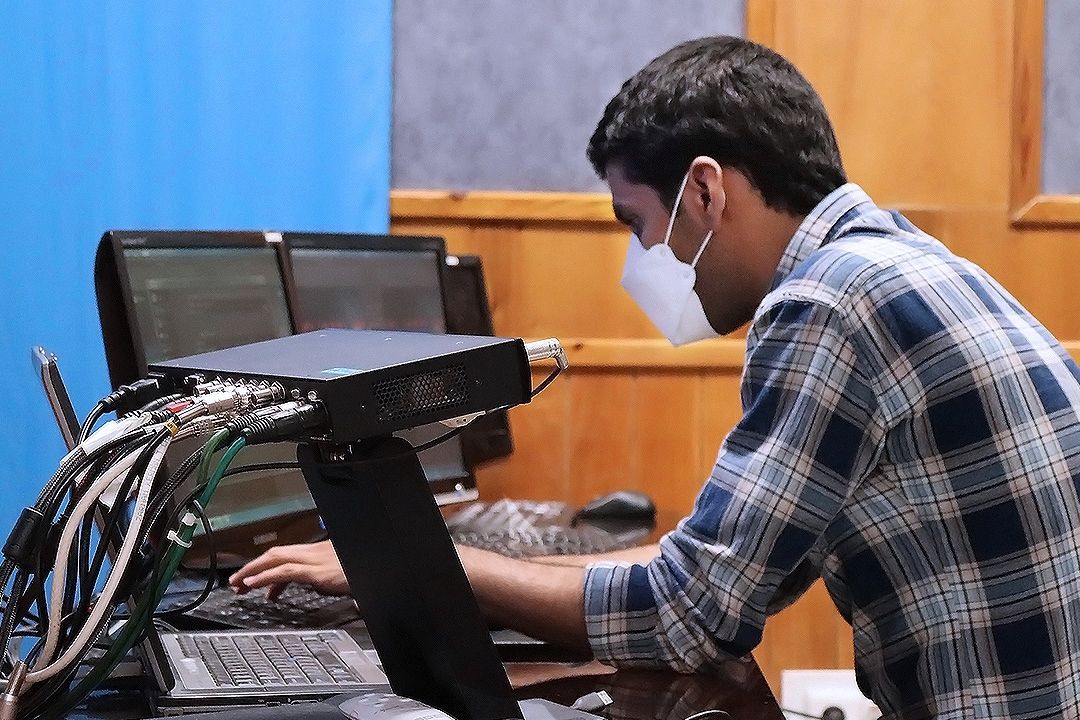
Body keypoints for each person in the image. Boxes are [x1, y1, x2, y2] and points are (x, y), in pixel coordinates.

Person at [230, 36, 1080, 718]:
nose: (643, 258)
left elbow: (689, 613)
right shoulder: (900, 263)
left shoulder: (827, 303)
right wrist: (446, 564)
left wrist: (425, 566)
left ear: (705, 190)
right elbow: (731, 572)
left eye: (637, 223)